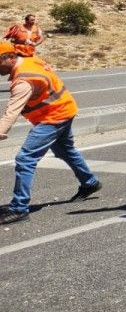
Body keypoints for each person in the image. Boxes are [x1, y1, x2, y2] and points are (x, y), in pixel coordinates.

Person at [0, 41, 101, 225]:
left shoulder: (23, 81)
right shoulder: (29, 60)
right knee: (64, 150)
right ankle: (90, 182)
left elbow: (11, 112)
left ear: (8, 58)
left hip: (53, 117)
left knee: (25, 159)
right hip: (65, 107)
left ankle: (19, 208)